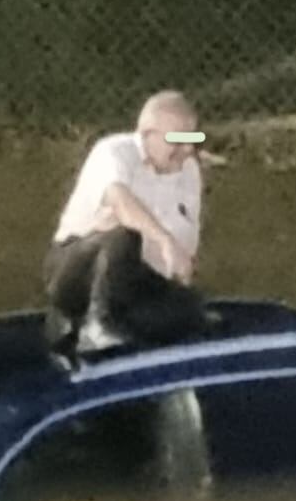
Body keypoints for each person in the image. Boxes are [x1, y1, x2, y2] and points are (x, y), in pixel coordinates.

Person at [43, 90, 211, 364]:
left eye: (192, 139)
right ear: (147, 135)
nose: (187, 149)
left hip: (134, 276)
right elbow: (121, 202)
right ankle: (92, 326)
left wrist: (177, 283)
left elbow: (182, 248)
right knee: (124, 232)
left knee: (191, 310)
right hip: (77, 265)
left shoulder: (189, 171)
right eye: (177, 141)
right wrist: (163, 238)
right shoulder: (112, 152)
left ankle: (123, 327)